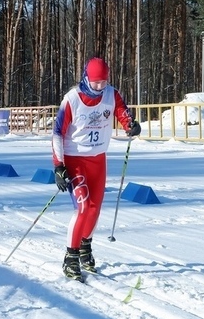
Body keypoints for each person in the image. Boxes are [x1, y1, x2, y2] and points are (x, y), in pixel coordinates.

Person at [52, 57, 141, 282]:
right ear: (86, 77)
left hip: (98, 160)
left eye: (103, 82)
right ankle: (70, 257)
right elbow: (57, 134)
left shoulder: (112, 94)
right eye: (95, 83)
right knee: (83, 207)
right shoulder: (72, 99)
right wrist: (59, 166)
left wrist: (130, 125)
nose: (99, 87)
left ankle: (85, 247)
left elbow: (122, 113)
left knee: (94, 209)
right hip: (75, 160)